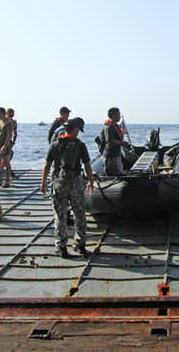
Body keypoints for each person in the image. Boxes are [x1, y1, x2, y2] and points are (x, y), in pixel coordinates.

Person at [40, 117, 95, 258]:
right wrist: (90, 181)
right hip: (75, 182)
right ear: (75, 129)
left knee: (60, 215)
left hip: (59, 183)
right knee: (80, 214)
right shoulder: (80, 145)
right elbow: (87, 165)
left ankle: (61, 247)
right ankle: (80, 244)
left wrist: (43, 182)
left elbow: (47, 165)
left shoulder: (55, 144)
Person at [100, 107, 131, 176]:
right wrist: (122, 143)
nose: (119, 116)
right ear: (113, 115)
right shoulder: (109, 127)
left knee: (119, 173)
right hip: (110, 156)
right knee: (113, 175)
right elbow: (110, 141)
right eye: (118, 114)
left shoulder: (116, 126)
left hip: (116, 155)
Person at [0, 107, 13, 187]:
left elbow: (9, 135)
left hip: (5, 145)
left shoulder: (8, 122)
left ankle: (8, 181)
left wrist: (5, 146)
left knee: (6, 162)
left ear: (2, 113)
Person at [6, 108, 19, 179]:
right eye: (10, 114)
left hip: (8, 142)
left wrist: (13, 142)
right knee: (5, 159)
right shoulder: (3, 121)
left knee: (7, 157)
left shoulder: (13, 122)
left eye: (12, 114)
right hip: (3, 141)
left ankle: (10, 174)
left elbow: (15, 134)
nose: (11, 115)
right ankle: (11, 173)